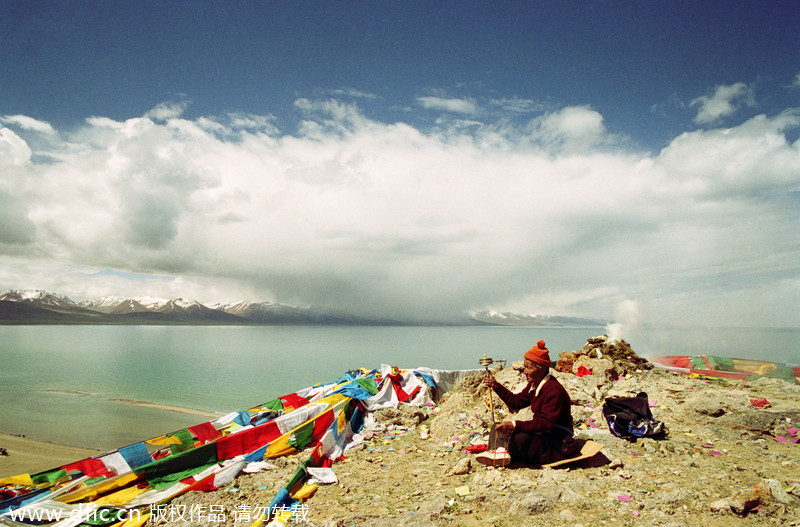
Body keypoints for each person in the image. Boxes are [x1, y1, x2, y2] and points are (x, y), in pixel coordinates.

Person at [478, 340, 582, 467]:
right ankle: (499, 452)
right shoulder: (534, 385)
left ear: (541, 368)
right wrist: (496, 386)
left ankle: (503, 452)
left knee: (520, 439)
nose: (524, 371)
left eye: (528, 367)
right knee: (497, 427)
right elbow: (515, 402)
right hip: (542, 434)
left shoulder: (554, 390)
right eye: (524, 367)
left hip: (557, 441)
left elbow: (545, 424)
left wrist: (515, 425)